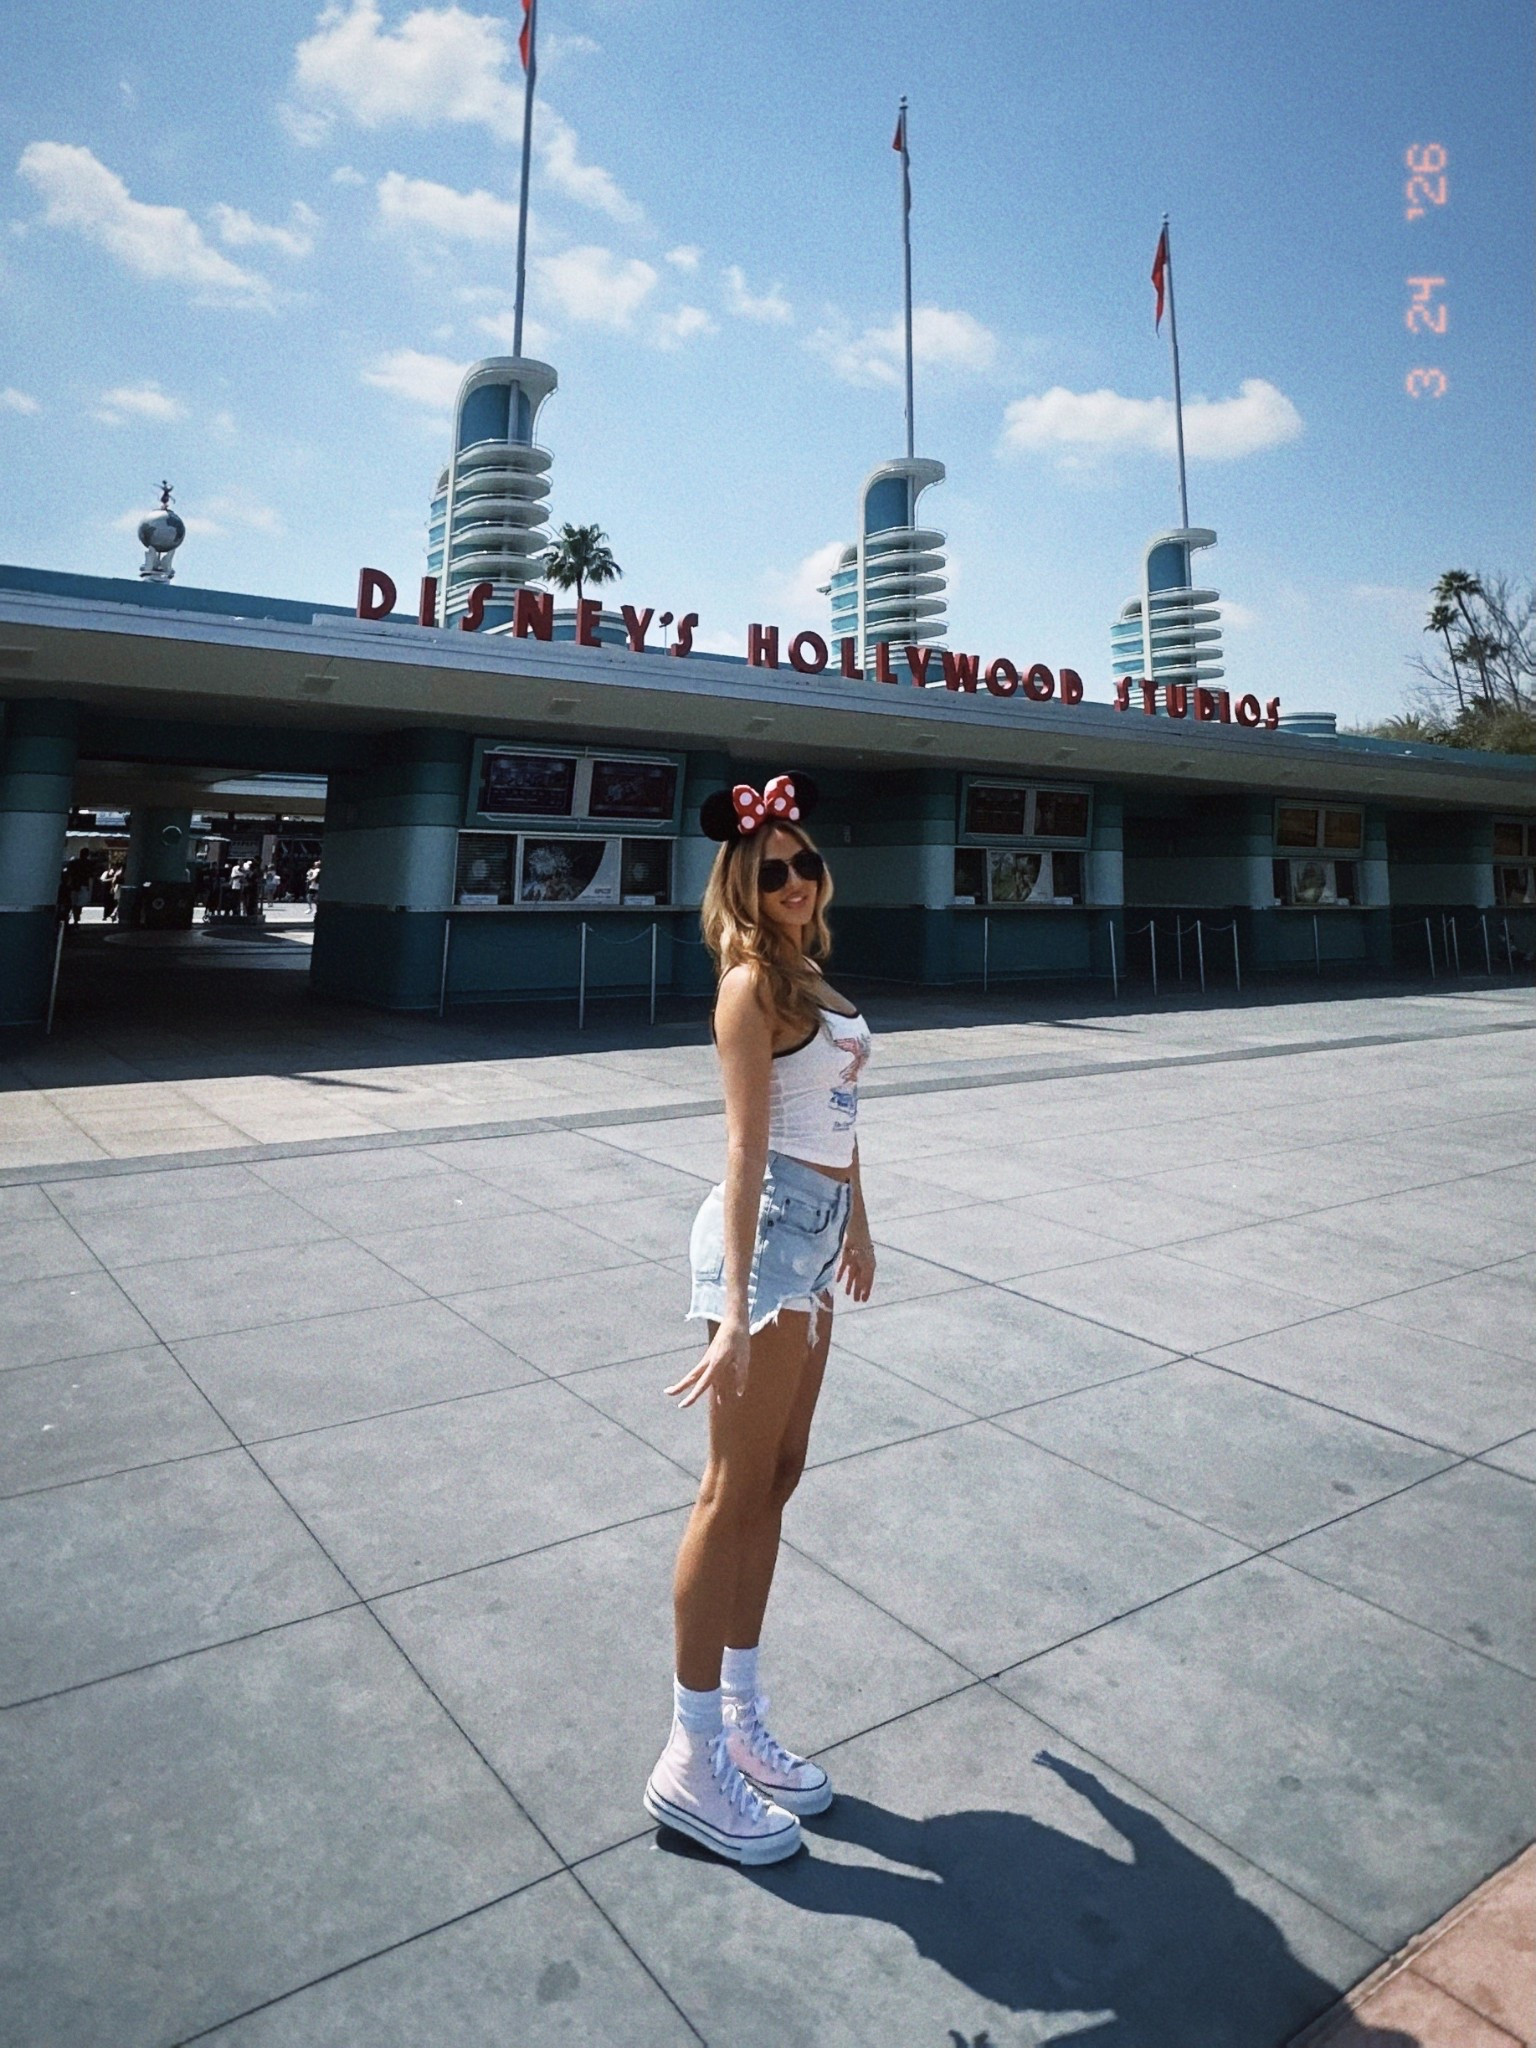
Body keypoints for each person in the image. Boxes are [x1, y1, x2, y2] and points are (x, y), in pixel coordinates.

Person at [643, 772, 875, 1866]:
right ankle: (690, 1757)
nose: (792, 878)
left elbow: (841, 1114)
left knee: (777, 1478)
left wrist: (861, 1224)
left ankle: (739, 1715)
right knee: (730, 1488)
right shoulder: (749, 987)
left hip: (817, 1234)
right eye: (769, 867)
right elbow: (743, 1146)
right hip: (768, 1237)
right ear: (741, 881)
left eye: (804, 861)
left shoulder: (812, 976)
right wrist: (733, 1304)